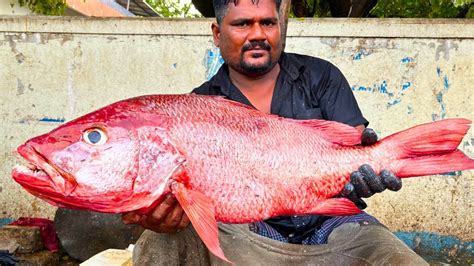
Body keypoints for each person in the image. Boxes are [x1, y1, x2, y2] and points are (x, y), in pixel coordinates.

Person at [122, 0, 427, 264]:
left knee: (397, 259)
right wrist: (166, 214)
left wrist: (364, 171)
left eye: (268, 22)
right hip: (249, 231)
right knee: (157, 241)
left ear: (280, 27)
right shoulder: (198, 107)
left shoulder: (322, 76)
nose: (258, 34)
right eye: (242, 24)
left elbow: (354, 144)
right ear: (217, 34)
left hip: (334, 222)